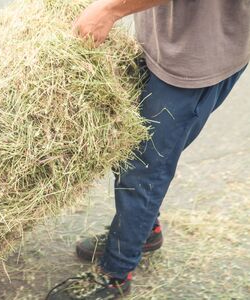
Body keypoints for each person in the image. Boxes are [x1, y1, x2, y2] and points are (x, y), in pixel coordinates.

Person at [46, 0, 250, 299]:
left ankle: (115, 274)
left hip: (194, 51)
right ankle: (144, 233)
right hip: (166, 35)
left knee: (144, 169)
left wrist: (110, 10)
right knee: (128, 144)